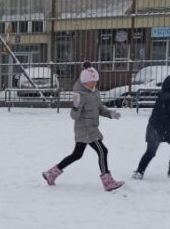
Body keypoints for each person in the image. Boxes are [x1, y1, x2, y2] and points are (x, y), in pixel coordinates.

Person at [42, 63, 124, 191]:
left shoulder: (95, 92)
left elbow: (100, 108)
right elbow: (74, 116)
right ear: (85, 82)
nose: (94, 84)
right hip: (86, 129)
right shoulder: (79, 94)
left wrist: (110, 114)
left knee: (77, 154)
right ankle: (107, 182)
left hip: (91, 127)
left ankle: (51, 174)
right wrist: (75, 107)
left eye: (95, 81)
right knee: (103, 151)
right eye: (92, 82)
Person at [133, 74, 170, 179]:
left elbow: (169, 111)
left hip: (154, 129)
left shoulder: (163, 95)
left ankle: (139, 171)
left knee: (150, 152)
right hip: (167, 130)